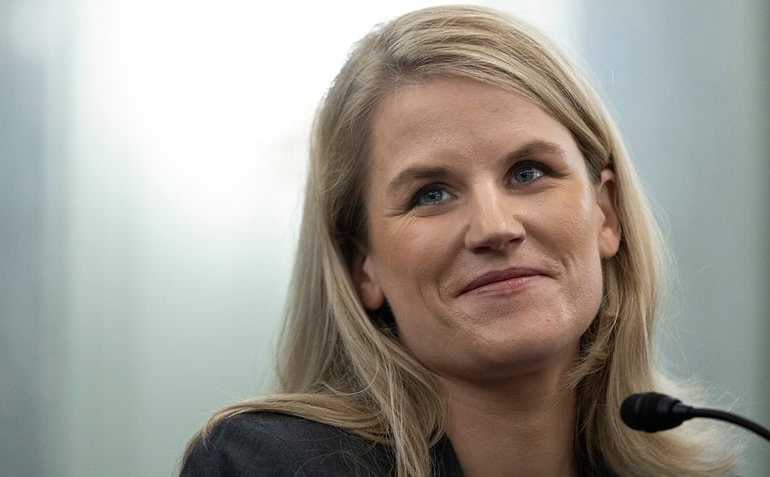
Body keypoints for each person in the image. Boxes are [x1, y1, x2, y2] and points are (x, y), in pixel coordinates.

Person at [181, 5, 738, 476]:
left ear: (607, 214)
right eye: (431, 194)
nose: (495, 227)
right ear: (363, 265)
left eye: (527, 172)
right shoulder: (270, 465)